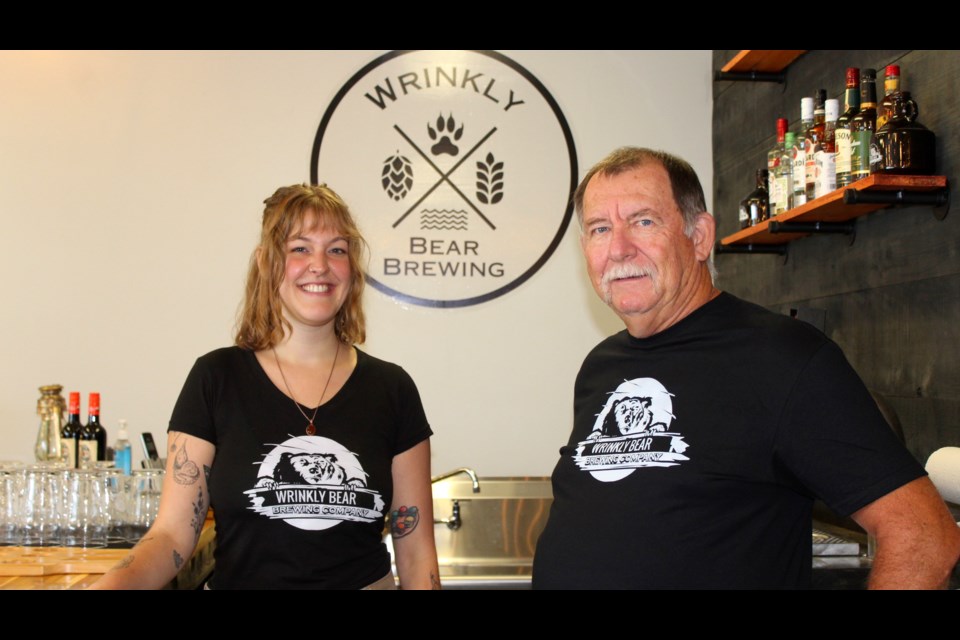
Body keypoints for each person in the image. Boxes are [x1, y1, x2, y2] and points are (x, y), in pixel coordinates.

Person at [532, 147, 960, 589]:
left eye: (643, 221)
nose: (618, 249)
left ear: (699, 236)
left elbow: (925, 537)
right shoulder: (602, 366)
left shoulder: (783, 357)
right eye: (600, 229)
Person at [93, 184, 439, 589]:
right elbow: (171, 535)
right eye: (300, 248)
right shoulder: (215, 378)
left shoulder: (392, 388)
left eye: (337, 249)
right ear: (266, 263)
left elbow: (416, 552)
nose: (320, 265)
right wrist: (110, 586)